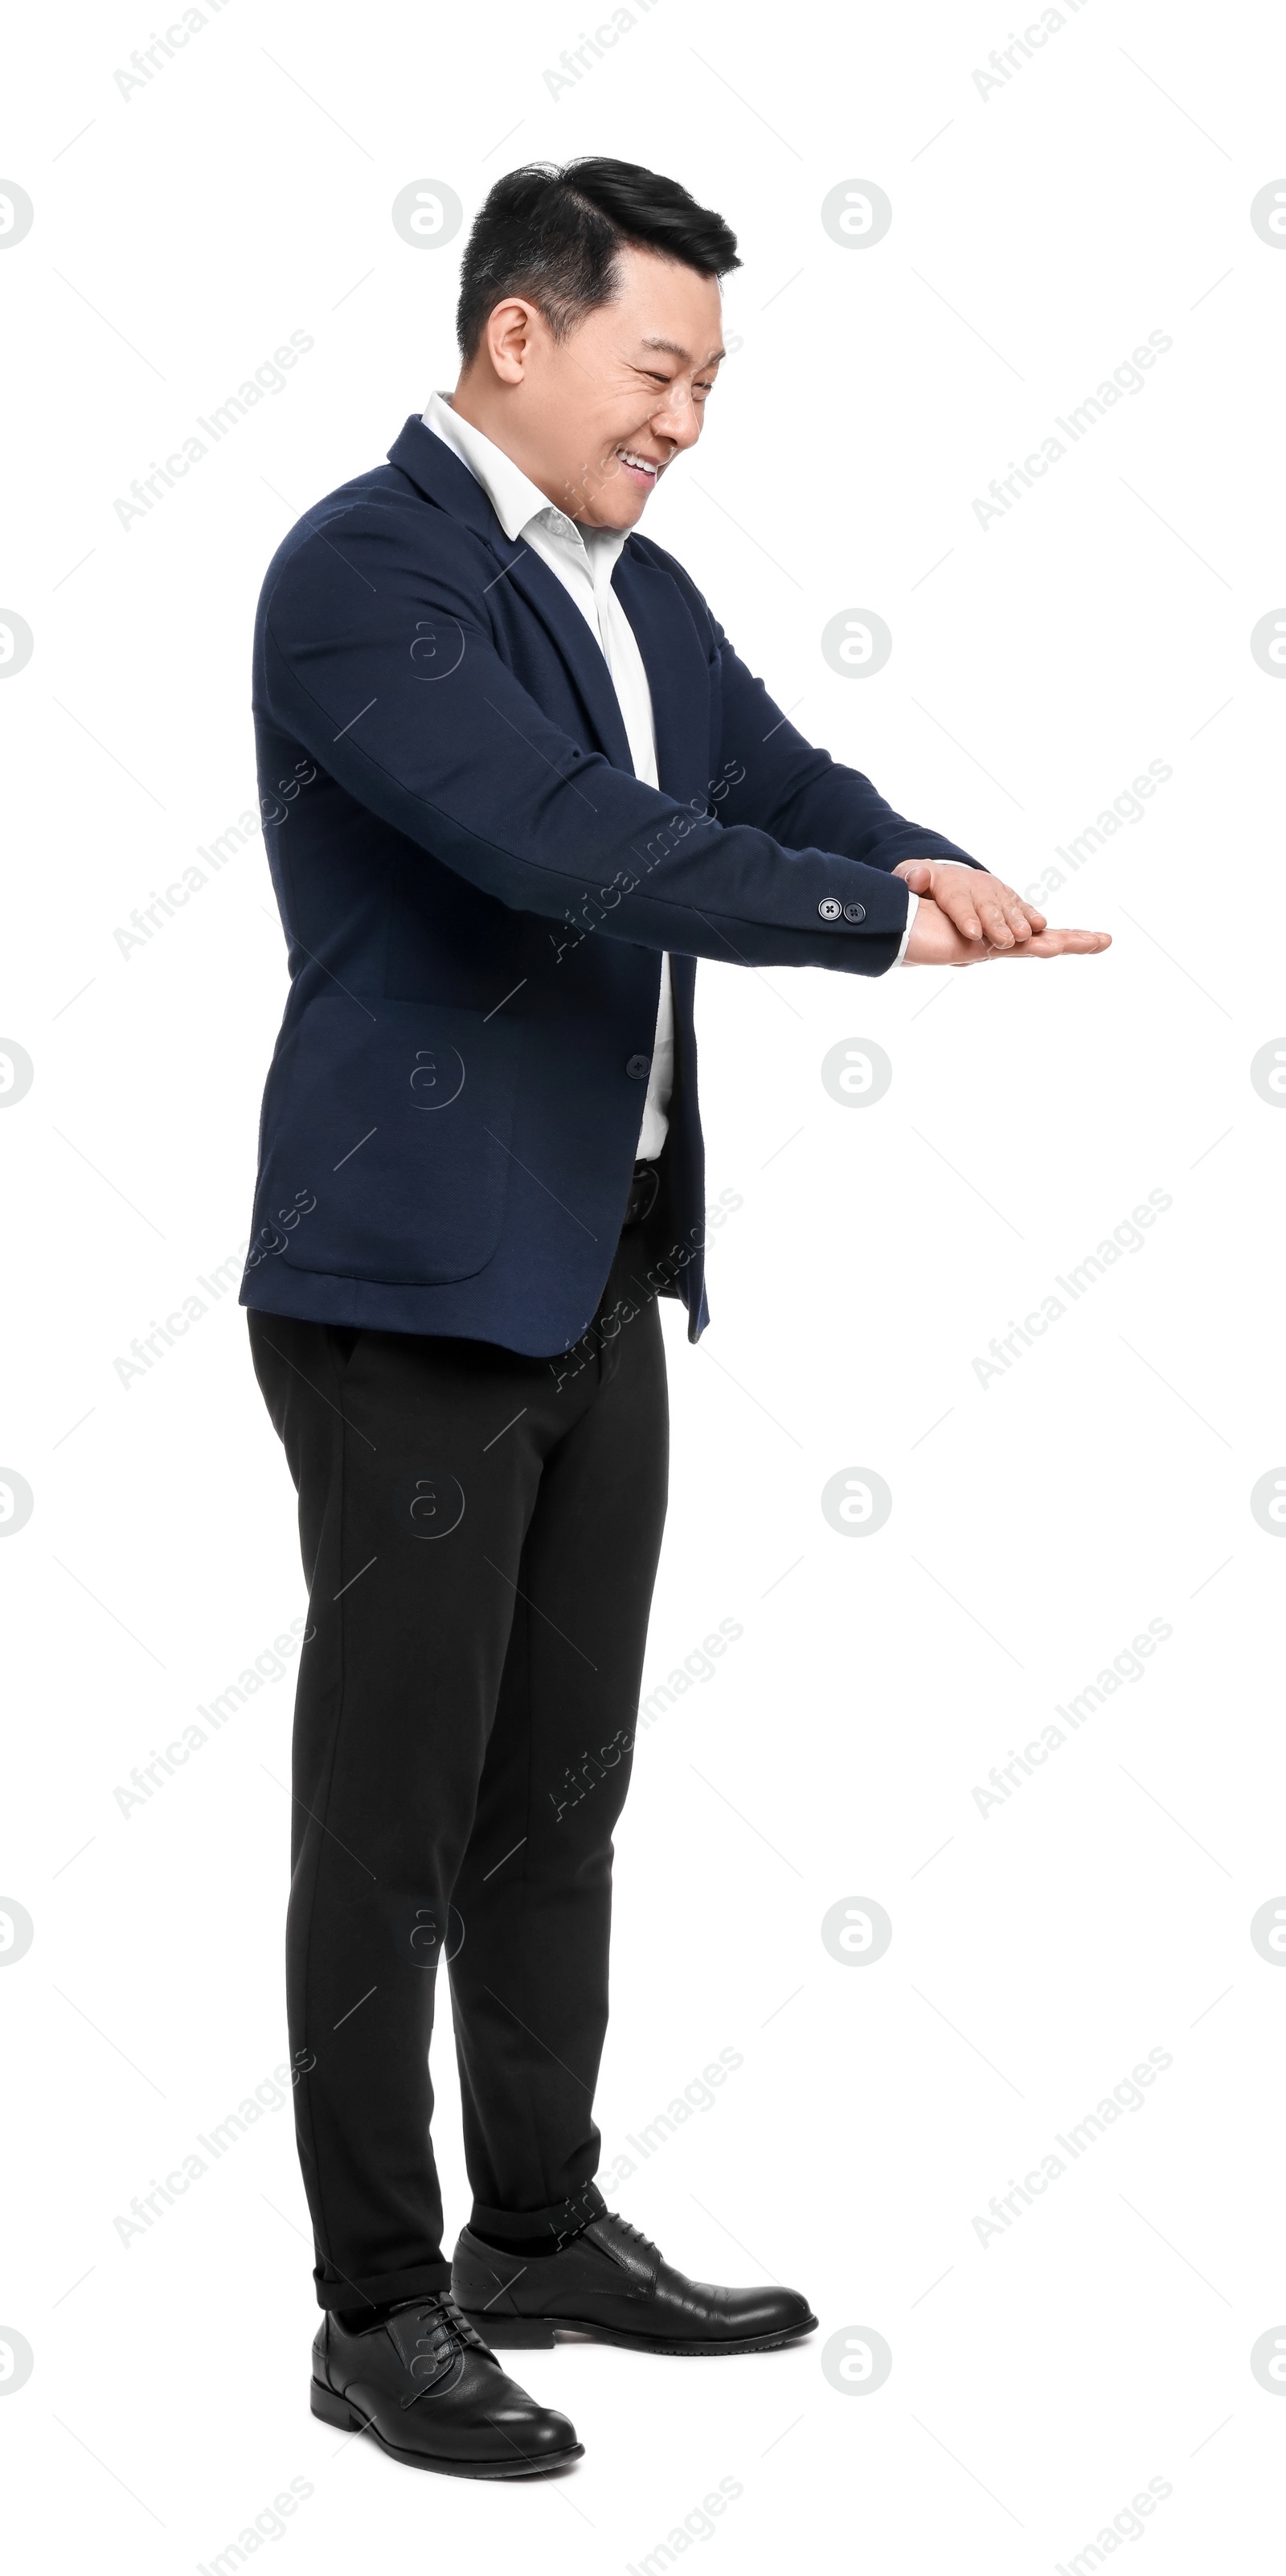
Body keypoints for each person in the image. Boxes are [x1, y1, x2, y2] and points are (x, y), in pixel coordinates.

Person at [242, 156, 1109, 2480]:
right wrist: (850, 920)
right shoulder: (367, 574)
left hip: (597, 1271)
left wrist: (925, 860)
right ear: (516, 337)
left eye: (713, 381)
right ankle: (377, 2305)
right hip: (409, 1283)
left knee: (558, 1800)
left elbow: (762, 778)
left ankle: (536, 2228)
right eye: (660, 371)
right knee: (392, 1825)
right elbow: (558, 837)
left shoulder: (639, 590)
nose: (688, 420)